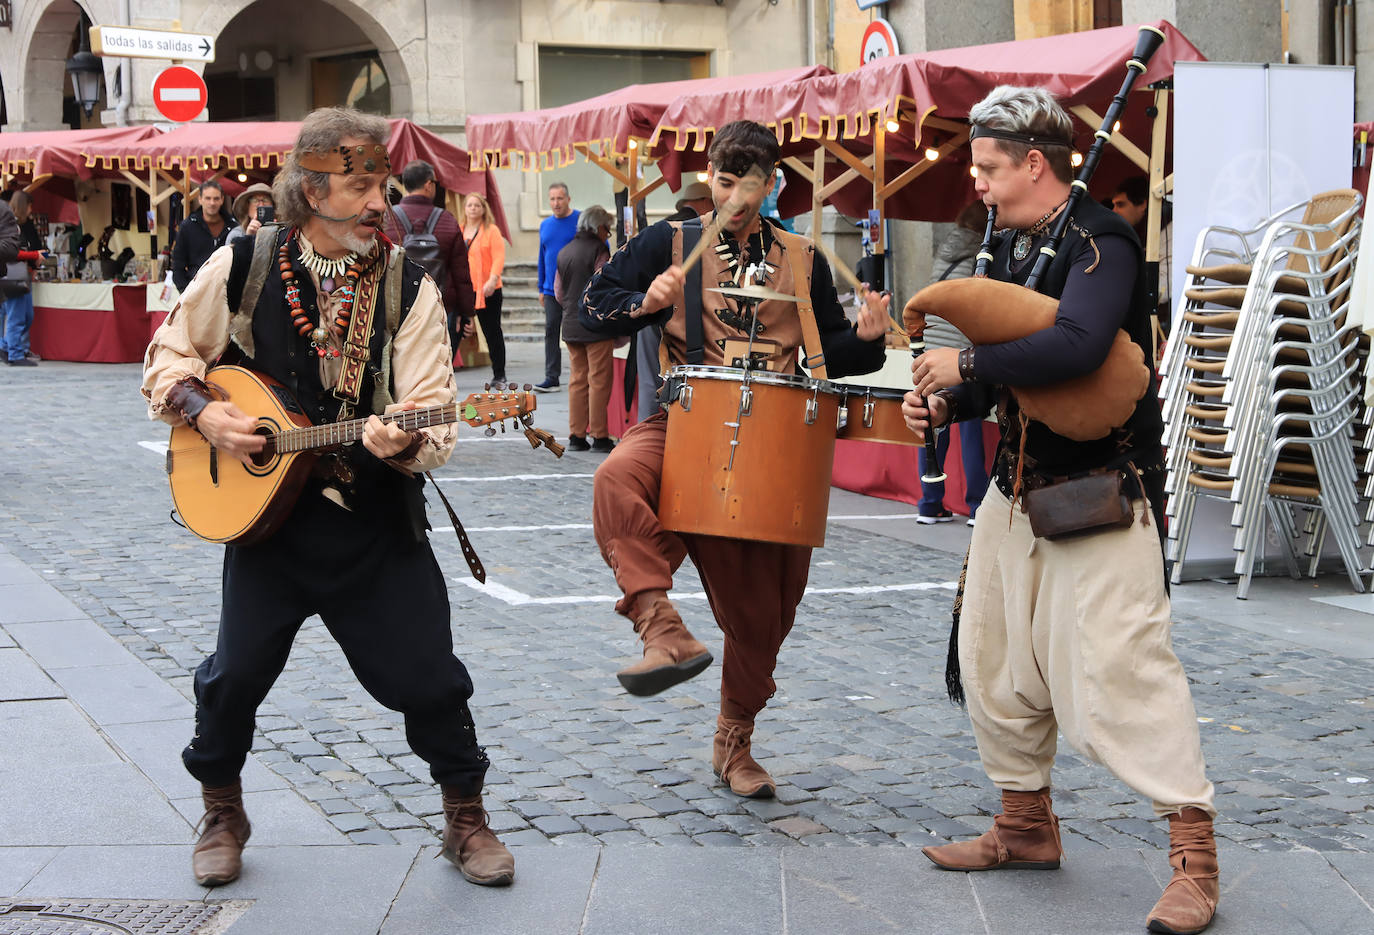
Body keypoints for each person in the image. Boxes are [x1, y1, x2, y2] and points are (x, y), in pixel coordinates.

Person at [141, 107, 515, 891]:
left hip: (375, 524)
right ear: (309, 191)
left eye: (383, 184)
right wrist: (202, 410)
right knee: (233, 674)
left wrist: (404, 439)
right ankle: (222, 807)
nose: (381, 202)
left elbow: (432, 406)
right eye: (360, 186)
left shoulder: (407, 287)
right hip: (269, 528)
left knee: (430, 677)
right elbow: (169, 352)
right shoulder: (244, 264)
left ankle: (465, 815)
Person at [903, 86, 1218, 935]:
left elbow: (1077, 344)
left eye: (990, 167)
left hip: (1100, 493)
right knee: (994, 658)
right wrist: (946, 401)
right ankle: (1024, 823)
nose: (978, 182)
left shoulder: (1100, 241)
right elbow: (1010, 377)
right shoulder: (1006, 245)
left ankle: (1195, 855)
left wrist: (966, 368)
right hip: (1018, 486)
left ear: (1034, 164)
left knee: (1124, 668)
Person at [581, 120, 889, 799]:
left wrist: (868, 340)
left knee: (763, 615)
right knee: (616, 477)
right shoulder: (669, 240)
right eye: (725, 182)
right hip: (685, 423)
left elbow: (835, 351)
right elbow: (588, 310)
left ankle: (734, 741)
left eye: (752, 186)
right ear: (712, 177)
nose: (737, 198)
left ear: (772, 183)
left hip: (777, 444)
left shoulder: (802, 257)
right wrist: (642, 304)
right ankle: (660, 627)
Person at [916, 202, 991, 526]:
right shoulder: (982, 254)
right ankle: (976, 505)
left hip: (931, 347)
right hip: (960, 350)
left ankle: (929, 504)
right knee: (970, 426)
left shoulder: (946, 249)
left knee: (934, 422)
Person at [382, 160, 477, 364]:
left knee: (401, 368)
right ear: (428, 184)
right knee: (439, 369)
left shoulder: (388, 219)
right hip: (441, 308)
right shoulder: (447, 220)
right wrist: (468, 313)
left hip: (399, 308)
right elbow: (461, 271)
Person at [556, 204, 616, 452]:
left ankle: (576, 435)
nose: (608, 234)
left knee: (577, 380)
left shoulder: (565, 251)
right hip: (595, 324)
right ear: (599, 227)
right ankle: (600, 435)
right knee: (599, 380)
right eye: (608, 229)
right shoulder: (599, 249)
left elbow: (558, 292)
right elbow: (603, 284)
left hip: (570, 323)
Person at [535, 182, 579, 392]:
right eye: (552, 199)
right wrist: (541, 288)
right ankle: (551, 376)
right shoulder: (545, 225)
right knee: (551, 330)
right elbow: (542, 258)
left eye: (559, 198)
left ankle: (580, 374)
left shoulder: (579, 221)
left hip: (575, 288)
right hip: (551, 290)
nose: (556, 203)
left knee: (576, 331)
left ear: (568, 199)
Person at [1111, 174, 1172, 327]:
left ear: (1143, 205)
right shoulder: (1141, 230)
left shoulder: (1170, 231)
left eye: (1121, 204)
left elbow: (1163, 289)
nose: (1114, 211)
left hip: (1164, 323)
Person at [461, 191, 508, 384]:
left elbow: (499, 256)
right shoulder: (459, 229)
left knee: (492, 332)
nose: (473, 208)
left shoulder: (491, 230)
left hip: (489, 289)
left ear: (483, 209)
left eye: (477, 205)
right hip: (465, 289)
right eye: (470, 205)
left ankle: (499, 374)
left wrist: (492, 279)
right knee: (455, 331)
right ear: (464, 209)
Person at [1, 191, 44, 367]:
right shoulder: (12, 225)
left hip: (19, 274)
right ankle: (15, 353)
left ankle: (7, 347)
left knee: (24, 315)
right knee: (16, 316)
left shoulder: (20, 225)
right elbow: (11, 251)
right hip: (14, 276)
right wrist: (34, 254)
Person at [170, 180, 236, 292]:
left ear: (222, 200)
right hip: (197, 292)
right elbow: (177, 265)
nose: (212, 203)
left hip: (226, 293)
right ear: (200, 199)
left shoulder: (233, 227)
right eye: (208, 198)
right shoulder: (187, 227)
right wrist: (186, 292)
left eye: (216, 198)